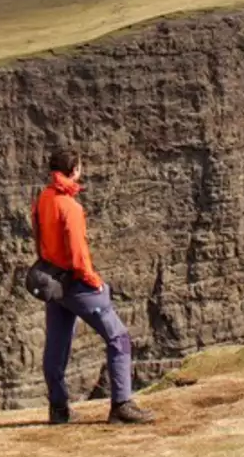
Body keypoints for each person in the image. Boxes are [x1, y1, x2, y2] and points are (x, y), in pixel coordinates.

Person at [33, 146, 155, 425]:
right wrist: (94, 282)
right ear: (74, 170)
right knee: (118, 337)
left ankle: (59, 409)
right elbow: (78, 253)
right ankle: (121, 405)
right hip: (76, 284)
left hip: (53, 283)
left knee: (56, 346)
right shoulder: (70, 207)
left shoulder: (43, 198)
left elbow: (38, 237)